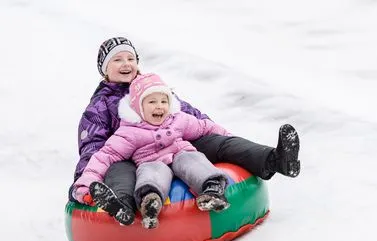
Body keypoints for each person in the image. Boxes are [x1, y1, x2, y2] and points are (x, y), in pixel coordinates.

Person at [70, 36, 300, 225]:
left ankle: (276, 160)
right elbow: (95, 147)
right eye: (117, 60)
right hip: (132, 155)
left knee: (216, 143)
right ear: (104, 69)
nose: (126, 64)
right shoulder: (99, 106)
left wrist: (223, 136)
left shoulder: (152, 87)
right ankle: (122, 205)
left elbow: (190, 116)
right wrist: (84, 181)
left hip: (175, 143)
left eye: (130, 58)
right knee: (120, 172)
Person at [73, 73, 231, 228]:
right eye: (152, 102)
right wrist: (86, 183)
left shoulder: (177, 119)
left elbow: (205, 127)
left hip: (180, 153)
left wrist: (229, 138)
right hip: (151, 161)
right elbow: (105, 156)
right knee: (150, 173)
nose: (159, 106)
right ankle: (150, 202)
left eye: (164, 101)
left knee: (192, 160)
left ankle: (213, 189)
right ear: (138, 108)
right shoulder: (129, 131)